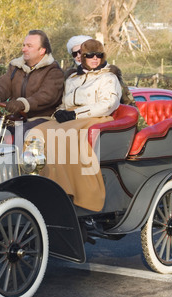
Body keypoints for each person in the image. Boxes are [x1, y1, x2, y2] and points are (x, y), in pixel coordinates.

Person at [26, 39, 122, 212]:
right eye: (90, 55)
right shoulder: (72, 79)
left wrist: (75, 114)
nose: (95, 59)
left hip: (96, 117)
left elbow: (108, 104)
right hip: (72, 118)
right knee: (37, 131)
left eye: (98, 55)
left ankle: (74, 190)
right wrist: (59, 113)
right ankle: (38, 178)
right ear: (83, 57)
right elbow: (64, 103)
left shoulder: (108, 77)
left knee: (65, 135)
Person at [0, 30, 64, 143]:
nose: (24, 49)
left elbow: (46, 95)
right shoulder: (16, 67)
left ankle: (17, 160)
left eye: (29, 46)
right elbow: (3, 85)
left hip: (43, 119)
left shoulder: (54, 71)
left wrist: (22, 104)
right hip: (19, 118)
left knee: (21, 133)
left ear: (42, 50)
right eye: (24, 45)